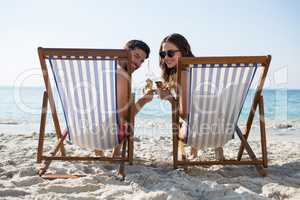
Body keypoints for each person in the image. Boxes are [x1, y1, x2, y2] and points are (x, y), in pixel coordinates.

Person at [156, 33, 224, 160]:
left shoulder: (182, 74)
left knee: (182, 122)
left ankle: (182, 155)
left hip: (199, 132)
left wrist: (170, 99)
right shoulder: (198, 71)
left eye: (170, 53)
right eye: (163, 54)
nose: (166, 57)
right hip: (223, 130)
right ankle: (201, 152)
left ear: (183, 52)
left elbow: (184, 113)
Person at [95, 40, 154, 157]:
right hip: (102, 135)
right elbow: (125, 117)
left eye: (142, 61)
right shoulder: (122, 75)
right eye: (136, 56)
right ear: (124, 51)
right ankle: (115, 154)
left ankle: (99, 153)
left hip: (77, 131)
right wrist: (144, 100)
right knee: (125, 116)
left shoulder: (99, 69)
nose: (138, 63)